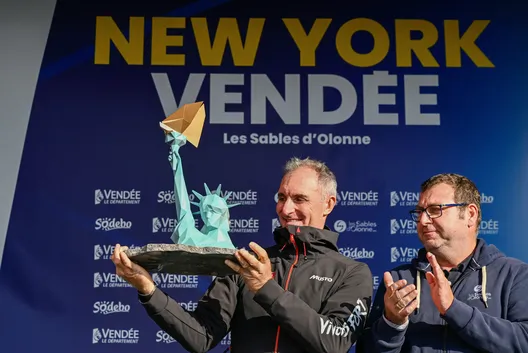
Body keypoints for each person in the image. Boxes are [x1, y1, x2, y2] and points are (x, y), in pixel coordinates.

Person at [111, 157, 373, 353]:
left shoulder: (351, 273)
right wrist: (148, 290)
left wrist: (265, 288)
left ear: (328, 204)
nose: (286, 208)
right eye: (281, 197)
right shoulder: (247, 264)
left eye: (299, 199)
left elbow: (335, 342)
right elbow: (201, 335)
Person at [356, 173, 528, 353]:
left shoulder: (514, 275)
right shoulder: (399, 281)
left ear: (470, 214)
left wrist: (453, 309)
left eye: (435, 209)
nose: (423, 220)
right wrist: (392, 323)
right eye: (420, 211)